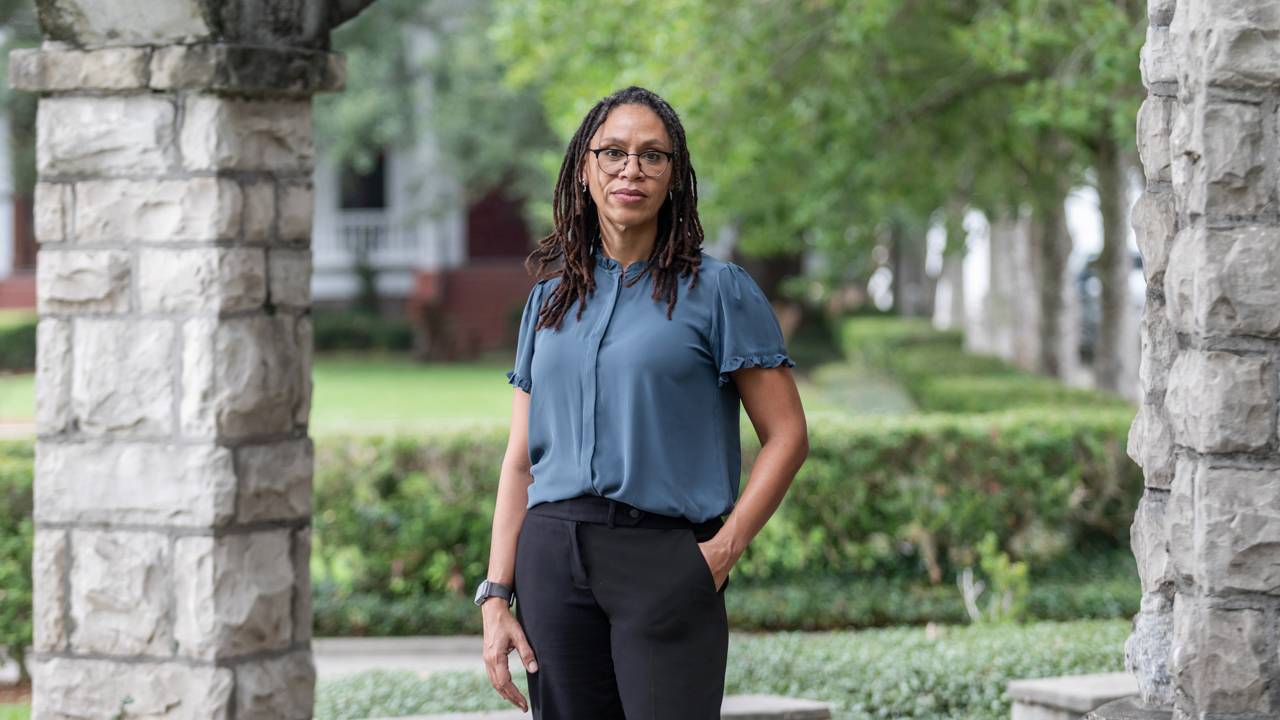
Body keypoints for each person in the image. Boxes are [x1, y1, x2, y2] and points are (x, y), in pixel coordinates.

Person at [476, 85, 809, 720]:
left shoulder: (719, 293)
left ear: (675, 176)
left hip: (664, 559)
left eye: (653, 155)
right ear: (584, 170)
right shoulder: (547, 300)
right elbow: (520, 459)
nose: (632, 170)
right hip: (551, 559)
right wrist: (497, 595)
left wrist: (722, 552)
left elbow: (788, 436)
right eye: (613, 152)